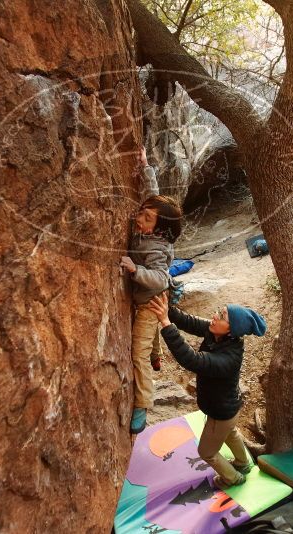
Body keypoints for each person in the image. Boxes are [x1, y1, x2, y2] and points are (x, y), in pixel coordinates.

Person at [147, 293, 267, 490]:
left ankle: (233, 478)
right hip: (230, 409)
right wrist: (167, 308)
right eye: (220, 311)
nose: (215, 316)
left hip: (221, 414)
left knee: (207, 452)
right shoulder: (218, 333)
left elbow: (192, 359)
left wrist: (166, 324)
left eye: (222, 316)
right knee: (231, 433)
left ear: (232, 331)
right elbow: (190, 322)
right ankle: (243, 463)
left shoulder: (229, 359)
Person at [120, 148, 183, 434]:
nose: (139, 219)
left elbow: (159, 278)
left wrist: (135, 270)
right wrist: (146, 168)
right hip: (152, 299)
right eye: (142, 215)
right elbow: (152, 196)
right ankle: (157, 353)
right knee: (149, 342)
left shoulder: (157, 247)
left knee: (137, 354)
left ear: (159, 228)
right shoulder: (154, 222)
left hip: (150, 304)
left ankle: (143, 404)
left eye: (146, 219)